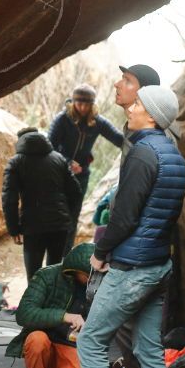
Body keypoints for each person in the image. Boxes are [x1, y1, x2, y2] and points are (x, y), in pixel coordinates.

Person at [77, 85, 185, 368]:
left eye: (137, 104)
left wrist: (100, 253)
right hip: (158, 266)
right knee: (149, 350)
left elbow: (124, 217)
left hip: (132, 269)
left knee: (90, 342)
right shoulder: (175, 156)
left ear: (152, 116)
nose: (131, 108)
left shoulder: (143, 153)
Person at [48, 84, 124, 254]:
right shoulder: (62, 119)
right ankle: (53, 255)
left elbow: (118, 138)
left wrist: (138, 143)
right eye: (78, 103)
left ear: (92, 104)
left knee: (73, 217)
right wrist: (67, 161)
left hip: (82, 175)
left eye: (86, 104)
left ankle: (65, 257)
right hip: (60, 173)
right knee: (57, 215)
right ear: (73, 102)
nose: (82, 107)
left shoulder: (97, 121)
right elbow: (49, 145)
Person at [1, 127, 83, 282]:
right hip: (59, 226)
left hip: (33, 227)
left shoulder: (16, 162)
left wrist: (13, 229)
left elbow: (9, 199)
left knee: (34, 276)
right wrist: (68, 218)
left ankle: (33, 304)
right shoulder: (58, 158)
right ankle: (53, 303)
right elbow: (76, 192)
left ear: (20, 142)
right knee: (54, 273)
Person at [4, 243, 95, 368]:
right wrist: (64, 316)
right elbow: (24, 314)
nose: (91, 280)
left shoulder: (96, 285)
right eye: (88, 276)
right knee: (36, 340)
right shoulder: (47, 276)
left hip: (71, 344)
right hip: (45, 340)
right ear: (75, 269)